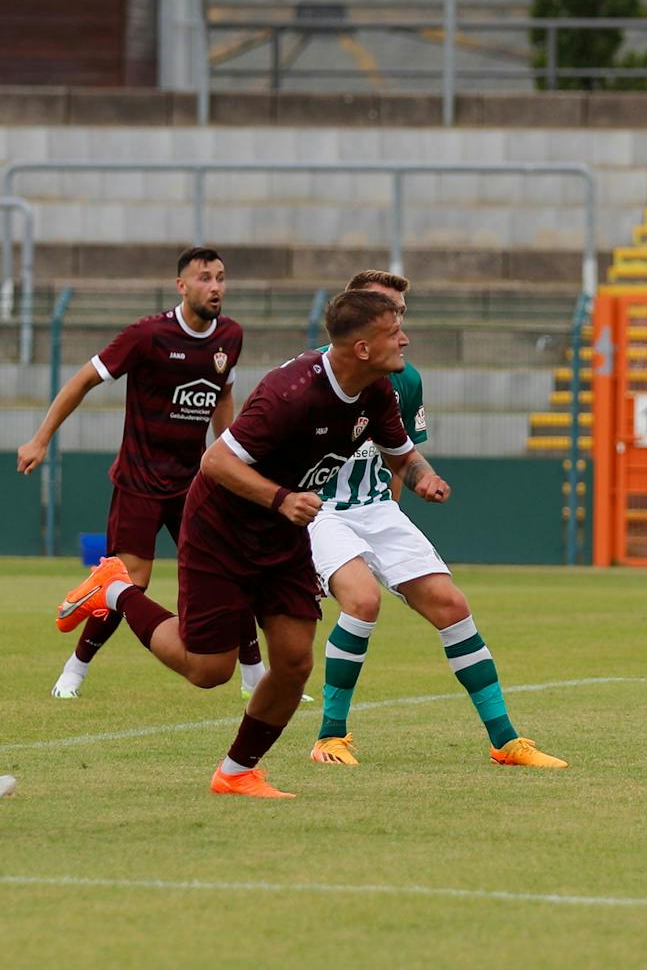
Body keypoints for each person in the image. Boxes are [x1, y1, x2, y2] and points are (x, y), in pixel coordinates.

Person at [53, 289, 450, 799]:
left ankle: (237, 772)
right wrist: (282, 497)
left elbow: (403, 456)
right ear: (363, 349)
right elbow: (215, 462)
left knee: (293, 661)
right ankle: (114, 590)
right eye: (394, 331)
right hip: (222, 528)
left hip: (282, 534)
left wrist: (425, 478)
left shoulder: (376, 392)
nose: (406, 338)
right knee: (208, 670)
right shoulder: (291, 392)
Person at [306, 270, 565, 770]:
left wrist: (409, 499)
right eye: (388, 313)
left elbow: (399, 457)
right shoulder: (307, 375)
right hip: (320, 510)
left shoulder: (405, 379)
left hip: (377, 509)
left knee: (451, 605)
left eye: (402, 313)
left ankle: (505, 741)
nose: (399, 326)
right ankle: (330, 736)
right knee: (362, 601)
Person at [17, 246, 269, 700]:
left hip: (194, 483)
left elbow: (222, 400)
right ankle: (75, 670)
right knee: (129, 583)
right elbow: (82, 380)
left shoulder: (230, 335)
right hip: (139, 483)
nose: (215, 287)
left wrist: (231, 462)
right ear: (182, 286)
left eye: (221, 278)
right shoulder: (147, 334)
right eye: (205, 278)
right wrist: (40, 439)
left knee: (232, 568)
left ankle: (254, 676)